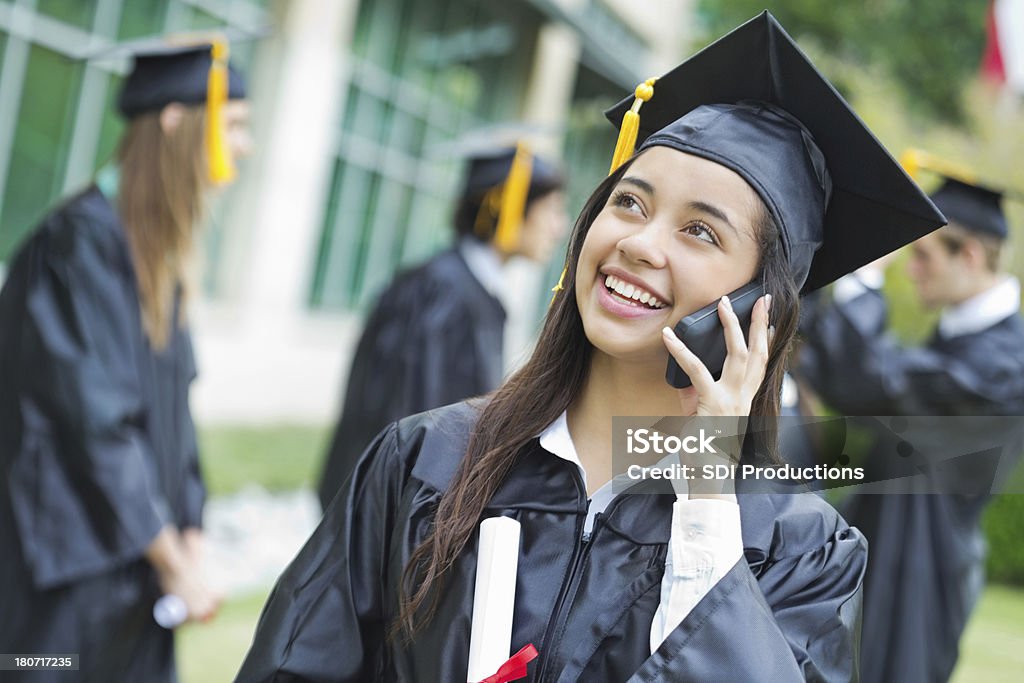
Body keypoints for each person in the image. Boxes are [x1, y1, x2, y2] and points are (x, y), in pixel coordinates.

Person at [236, 12, 944, 682]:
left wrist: (704, 493)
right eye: (630, 202)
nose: (637, 242)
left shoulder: (799, 549)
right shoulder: (426, 458)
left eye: (700, 231)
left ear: (761, 303)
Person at [0, 38, 251, 682]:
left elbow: (175, 412)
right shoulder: (77, 243)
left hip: (133, 572)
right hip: (65, 577)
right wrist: (172, 558)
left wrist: (191, 526)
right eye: (234, 126)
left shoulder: (155, 254)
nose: (244, 147)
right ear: (175, 119)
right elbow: (96, 424)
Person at [797, 152, 1024, 683]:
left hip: (924, 566)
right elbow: (852, 382)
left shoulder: (1004, 364)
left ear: (968, 254)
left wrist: (862, 282)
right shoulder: (963, 337)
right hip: (890, 544)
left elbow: (876, 386)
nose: (911, 268)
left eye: (922, 255)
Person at [316, 144, 567, 509]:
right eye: (552, 210)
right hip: (393, 506)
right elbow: (412, 420)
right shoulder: (438, 292)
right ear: (507, 206)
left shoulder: (474, 289)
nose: (560, 227)